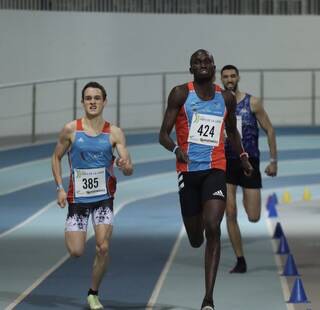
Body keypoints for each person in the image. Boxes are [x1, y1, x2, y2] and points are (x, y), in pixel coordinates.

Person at [159, 50, 253, 310]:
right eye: (197, 62)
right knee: (196, 238)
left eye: (206, 62)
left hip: (215, 168)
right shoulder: (180, 94)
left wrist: (243, 156)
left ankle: (208, 299)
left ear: (213, 67)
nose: (202, 65)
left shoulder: (226, 97)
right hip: (188, 172)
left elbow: (232, 132)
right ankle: (197, 224)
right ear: (191, 68)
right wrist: (176, 149)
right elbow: (163, 135)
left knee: (213, 226)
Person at [51, 81, 133, 310]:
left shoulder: (114, 132)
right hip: (77, 201)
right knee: (76, 251)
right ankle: (74, 230)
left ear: (104, 101)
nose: (93, 102)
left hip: (103, 200)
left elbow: (128, 168)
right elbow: (56, 157)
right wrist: (59, 187)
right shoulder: (71, 130)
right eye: (89, 98)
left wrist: (125, 165)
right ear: (82, 102)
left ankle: (93, 293)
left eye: (97, 98)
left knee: (102, 247)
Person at [220, 65, 278, 273]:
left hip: (249, 162)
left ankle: (246, 198)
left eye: (232, 76)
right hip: (225, 162)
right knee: (230, 212)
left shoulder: (252, 102)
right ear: (221, 78)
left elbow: (269, 129)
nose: (229, 79)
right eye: (225, 76)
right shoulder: (217, 104)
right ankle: (240, 259)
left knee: (253, 216)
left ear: (238, 78)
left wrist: (273, 160)